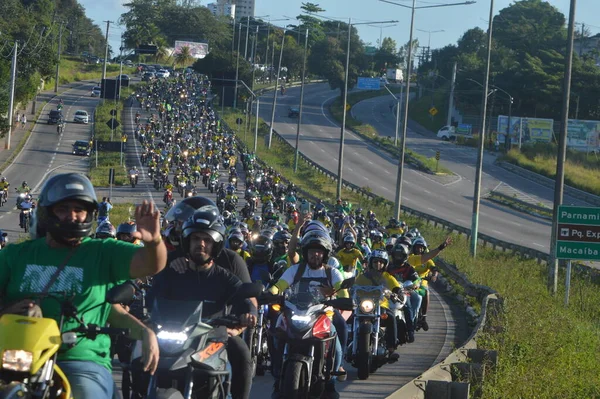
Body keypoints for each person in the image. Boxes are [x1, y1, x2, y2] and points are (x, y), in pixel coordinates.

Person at [0, 172, 166, 399]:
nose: (72, 216)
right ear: (47, 213)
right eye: (63, 209)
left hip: (79, 359)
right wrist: (7, 312)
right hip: (16, 357)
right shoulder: (15, 255)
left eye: (80, 210)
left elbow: (151, 264)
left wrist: (153, 242)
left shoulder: (102, 251)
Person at [148, 206, 256, 399]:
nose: (202, 244)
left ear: (216, 244)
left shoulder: (226, 278)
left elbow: (244, 299)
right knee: (138, 353)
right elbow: (151, 295)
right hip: (173, 335)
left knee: (242, 352)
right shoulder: (173, 270)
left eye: (207, 240)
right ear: (187, 241)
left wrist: (248, 314)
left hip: (213, 337)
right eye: (196, 239)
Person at [269, 230, 348, 399]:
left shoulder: (331, 272)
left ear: (325, 254)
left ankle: (331, 383)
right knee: (275, 333)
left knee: (337, 342)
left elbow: (342, 290)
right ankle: (277, 376)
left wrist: (342, 297)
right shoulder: (295, 270)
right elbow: (280, 285)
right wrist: (271, 292)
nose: (315, 254)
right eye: (312, 251)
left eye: (319, 251)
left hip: (323, 315)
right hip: (295, 312)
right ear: (306, 253)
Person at [354, 250, 405, 356]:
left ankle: (391, 348)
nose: (378, 264)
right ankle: (346, 345)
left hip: (380, 306)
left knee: (390, 317)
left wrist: (397, 293)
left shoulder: (388, 277)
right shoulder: (362, 276)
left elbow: (396, 288)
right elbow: (353, 287)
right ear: (370, 262)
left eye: (381, 262)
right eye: (375, 261)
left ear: (385, 264)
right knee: (348, 318)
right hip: (362, 306)